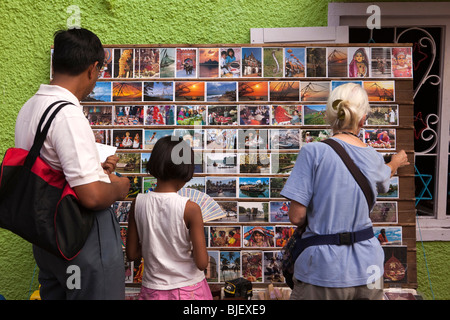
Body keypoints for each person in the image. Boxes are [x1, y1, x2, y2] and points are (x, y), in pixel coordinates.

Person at [14, 28, 130, 300]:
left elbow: (49, 170)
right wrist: (120, 187)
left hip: (48, 238)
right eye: (99, 72)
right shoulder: (68, 115)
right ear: (92, 69)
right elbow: (91, 197)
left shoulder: (30, 107)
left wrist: (96, 169)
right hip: (81, 238)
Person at [281, 83, 409, 300]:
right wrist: (395, 162)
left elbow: (296, 216)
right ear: (363, 119)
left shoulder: (313, 152)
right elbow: (383, 175)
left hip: (323, 269)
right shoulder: (374, 156)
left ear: (329, 115)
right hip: (369, 266)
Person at [126, 136, 212, 300]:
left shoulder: (137, 203)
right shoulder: (191, 208)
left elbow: (132, 254)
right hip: (189, 290)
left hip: (152, 290)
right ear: (187, 169)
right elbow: (202, 263)